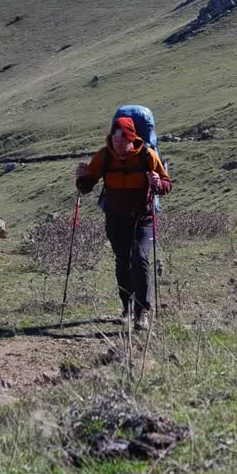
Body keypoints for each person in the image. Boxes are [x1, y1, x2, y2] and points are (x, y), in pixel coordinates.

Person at [74, 116, 172, 330]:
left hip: (143, 217)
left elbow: (166, 184)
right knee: (123, 261)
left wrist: (158, 183)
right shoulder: (104, 156)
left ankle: (141, 313)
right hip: (115, 218)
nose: (117, 146)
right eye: (114, 141)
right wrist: (81, 178)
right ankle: (127, 308)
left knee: (140, 258)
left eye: (122, 142)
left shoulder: (147, 155)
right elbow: (87, 186)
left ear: (131, 139)